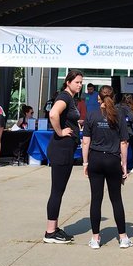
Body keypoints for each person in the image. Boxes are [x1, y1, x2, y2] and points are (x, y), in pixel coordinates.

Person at [83, 85, 132, 249]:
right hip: (112, 160)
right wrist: (124, 165)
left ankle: (95, 238)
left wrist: (85, 162)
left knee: (96, 199)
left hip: (95, 159)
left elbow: (85, 141)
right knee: (116, 199)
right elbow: (124, 142)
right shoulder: (119, 115)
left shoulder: (91, 114)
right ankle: (123, 237)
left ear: (99, 98)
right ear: (114, 97)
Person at [43, 70, 84, 244]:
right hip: (61, 149)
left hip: (66, 148)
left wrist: (75, 125)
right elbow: (53, 114)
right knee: (57, 191)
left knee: (59, 190)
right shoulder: (65, 97)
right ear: (68, 82)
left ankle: (54, 227)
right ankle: (50, 232)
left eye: (81, 82)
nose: (80, 85)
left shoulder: (71, 99)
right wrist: (60, 131)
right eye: (77, 82)